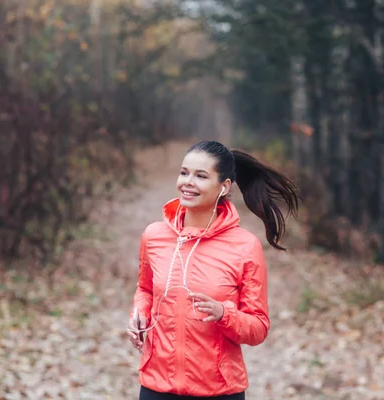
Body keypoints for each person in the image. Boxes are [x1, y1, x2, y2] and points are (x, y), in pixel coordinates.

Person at [127, 140, 298, 399]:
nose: (188, 182)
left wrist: (223, 314)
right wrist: (140, 313)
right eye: (184, 172)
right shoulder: (154, 236)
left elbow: (258, 327)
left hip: (219, 391)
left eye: (201, 176)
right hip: (156, 386)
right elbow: (145, 289)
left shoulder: (244, 246)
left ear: (224, 186)